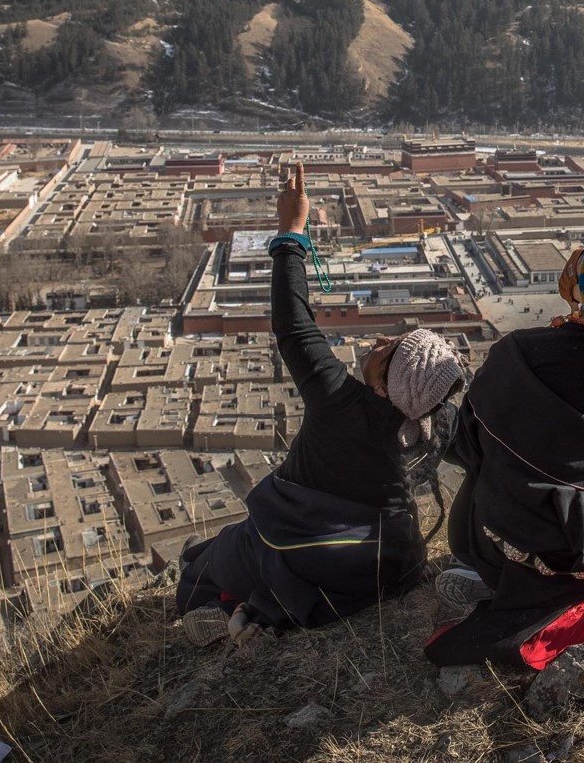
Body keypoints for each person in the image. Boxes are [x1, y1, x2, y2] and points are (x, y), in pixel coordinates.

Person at [175, 163, 466, 645]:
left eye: (388, 347)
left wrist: (291, 233)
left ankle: (210, 598)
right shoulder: (437, 421)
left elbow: (294, 325)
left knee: (219, 557)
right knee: (286, 565)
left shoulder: (340, 403)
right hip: (386, 563)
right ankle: (256, 611)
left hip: (303, 548)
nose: (377, 340)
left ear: (385, 383)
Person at [425, 228, 584, 670]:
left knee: (480, 469)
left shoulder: (521, 355)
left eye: (583, 270)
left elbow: (464, 446)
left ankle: (500, 577)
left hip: (551, 554)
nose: (572, 268)